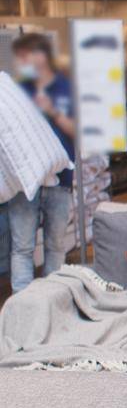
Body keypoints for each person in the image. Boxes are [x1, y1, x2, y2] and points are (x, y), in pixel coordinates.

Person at [7, 32, 76, 292]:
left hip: (61, 181)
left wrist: (52, 111)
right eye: (21, 57)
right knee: (22, 247)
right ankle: (22, 309)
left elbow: (76, 130)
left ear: (43, 55)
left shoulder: (64, 88)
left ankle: (51, 302)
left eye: (28, 55)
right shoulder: (17, 91)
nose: (23, 61)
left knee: (56, 246)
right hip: (25, 183)